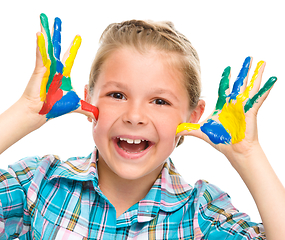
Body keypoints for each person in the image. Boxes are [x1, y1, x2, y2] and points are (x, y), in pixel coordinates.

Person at [0, 13, 284, 239]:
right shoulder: (38, 183)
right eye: (117, 95)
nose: (135, 116)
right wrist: (25, 111)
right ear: (87, 99)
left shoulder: (203, 214)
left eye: (159, 101)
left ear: (193, 115)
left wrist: (247, 155)